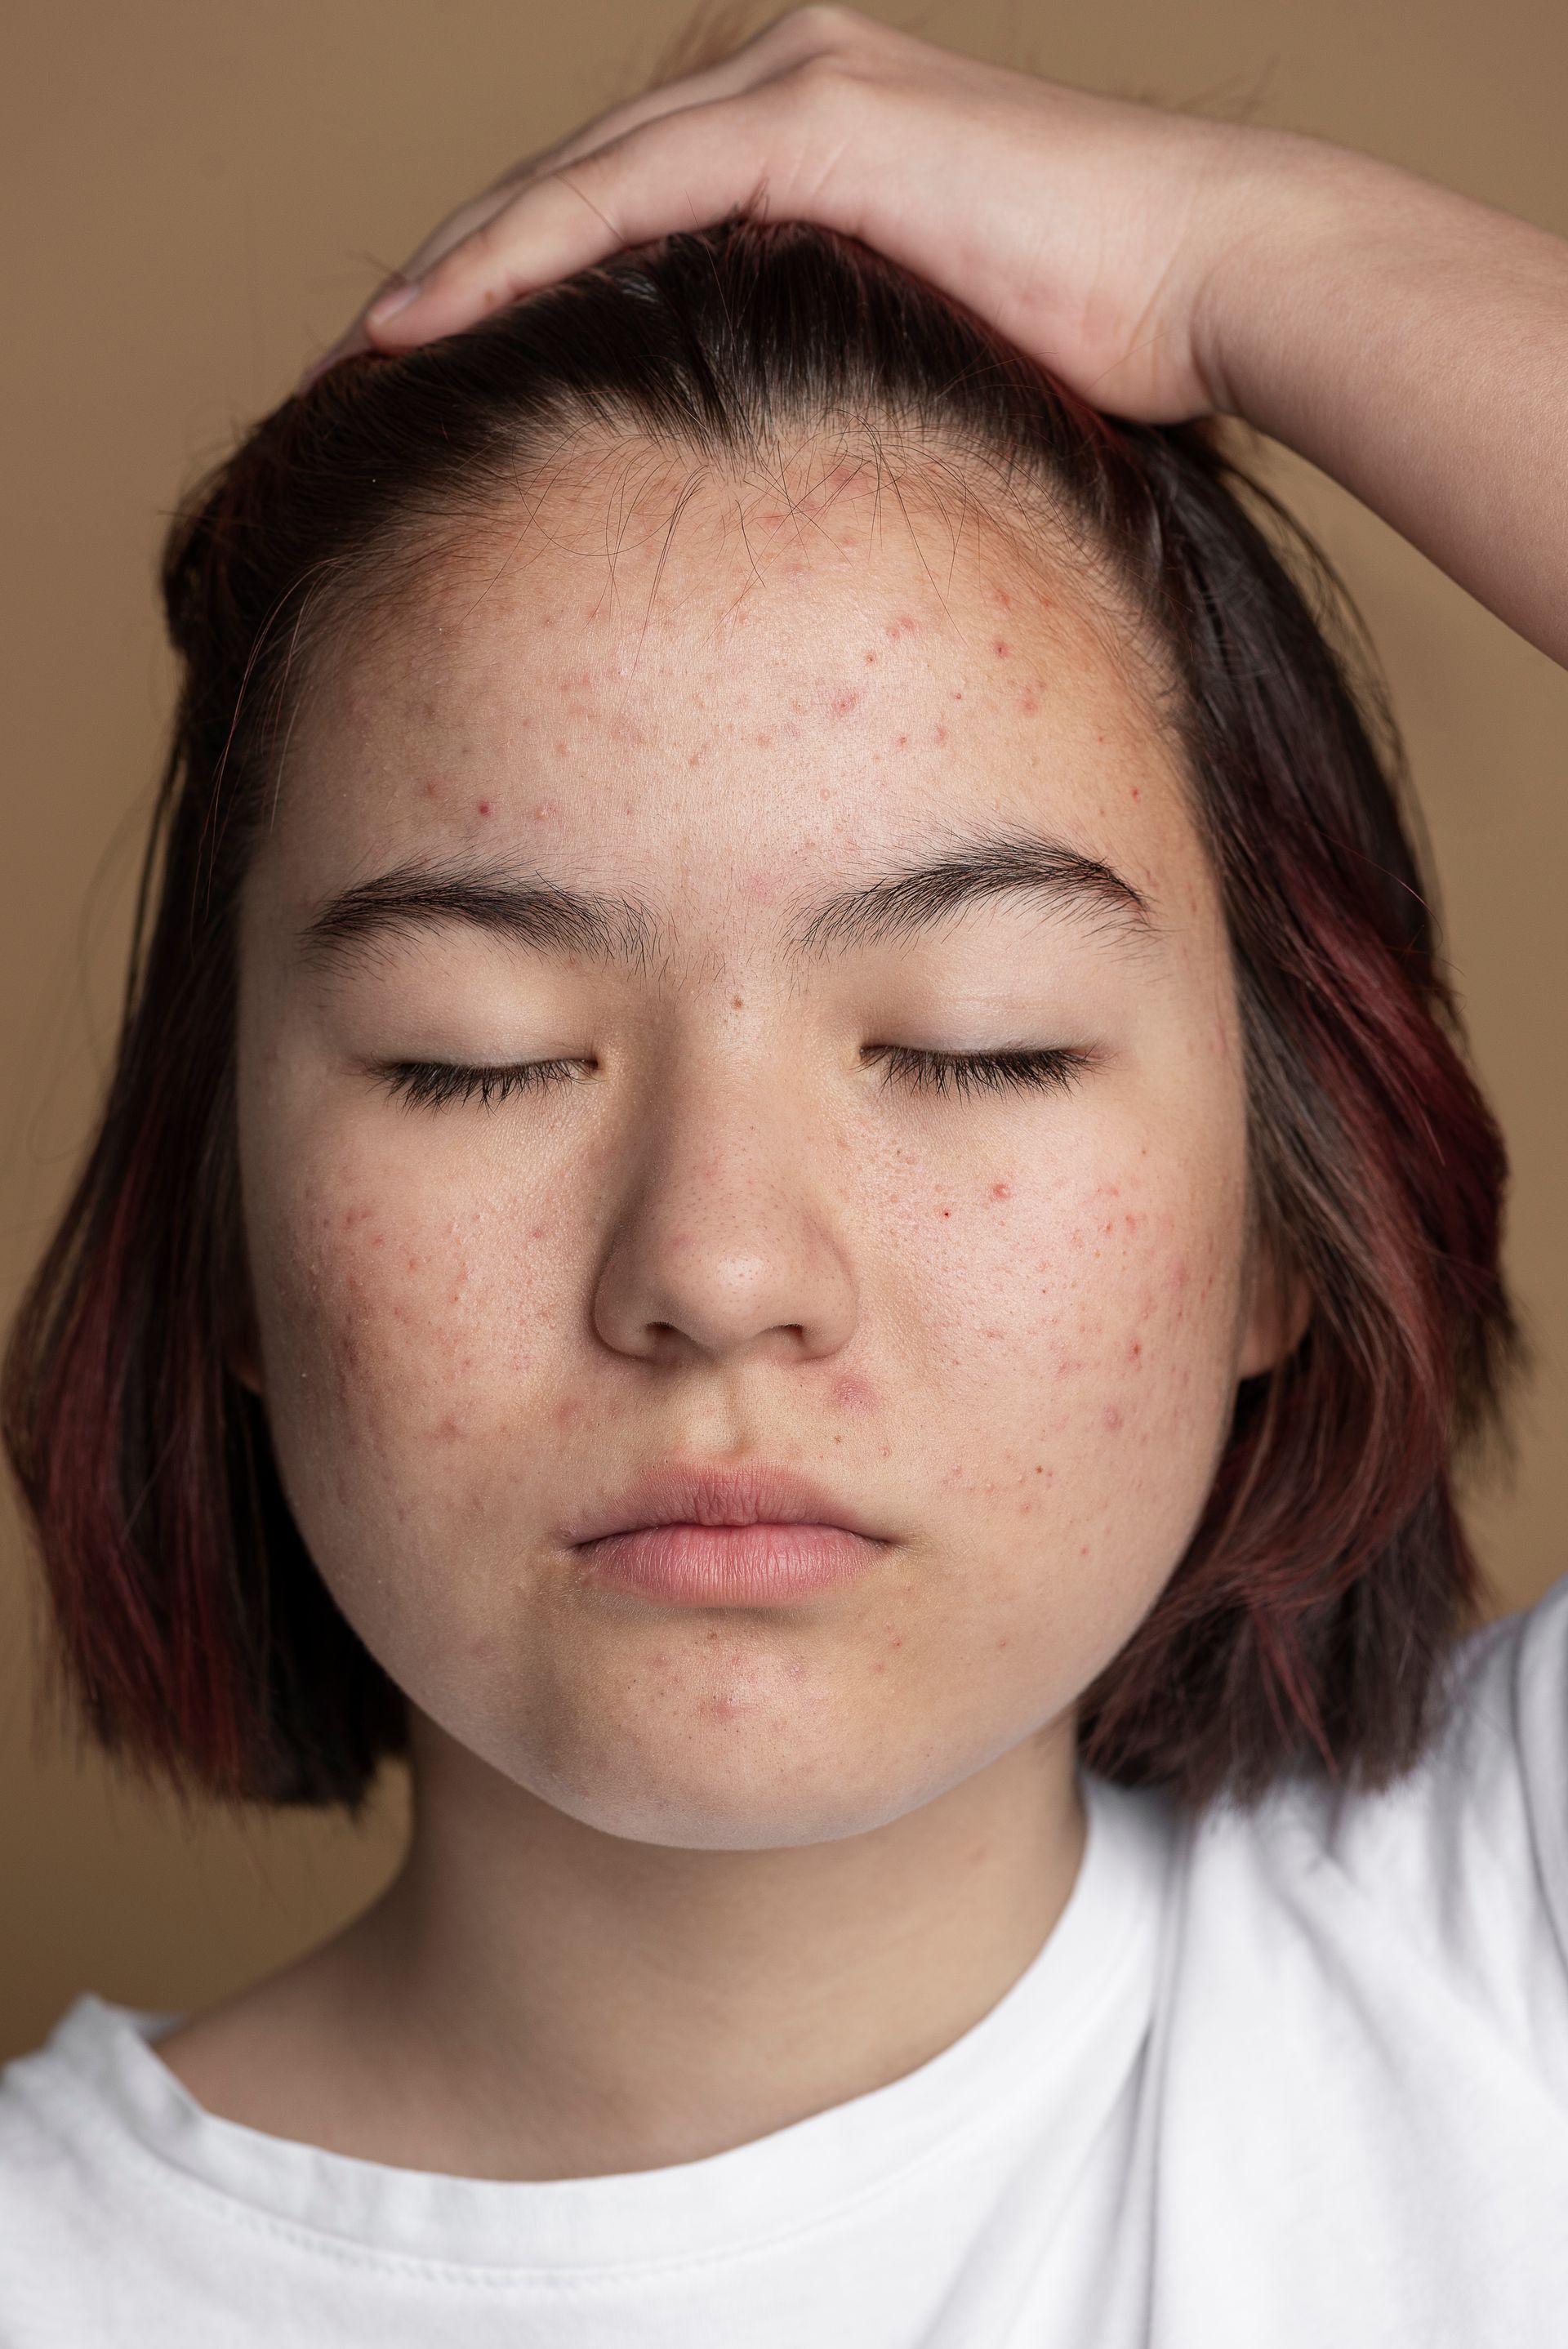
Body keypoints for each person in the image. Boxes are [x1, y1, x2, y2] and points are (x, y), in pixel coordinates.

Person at [1, 8, 1565, 2342]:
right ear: (224, 1219)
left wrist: (1234, 253)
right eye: (474, 1061)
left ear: (1282, 1218)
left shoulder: (1497, 1978)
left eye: (974, 1042)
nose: (719, 1266)